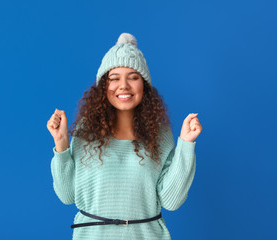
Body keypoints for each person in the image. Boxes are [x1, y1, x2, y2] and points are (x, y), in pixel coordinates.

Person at [47, 33, 203, 240]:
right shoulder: (86, 130)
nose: (123, 86)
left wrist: (186, 144)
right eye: (114, 78)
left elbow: (171, 201)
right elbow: (67, 196)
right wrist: (61, 144)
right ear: (103, 86)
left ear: (144, 85)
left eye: (133, 77)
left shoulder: (160, 133)